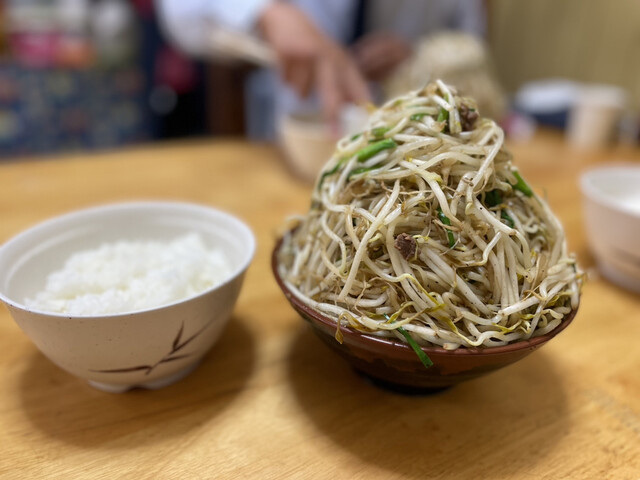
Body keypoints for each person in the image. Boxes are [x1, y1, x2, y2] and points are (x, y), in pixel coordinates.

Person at [156, 0, 486, 138]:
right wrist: (266, 12)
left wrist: (421, 54)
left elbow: (472, 42)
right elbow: (179, 12)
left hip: (419, 140)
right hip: (297, 137)